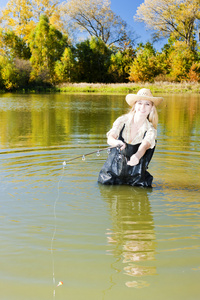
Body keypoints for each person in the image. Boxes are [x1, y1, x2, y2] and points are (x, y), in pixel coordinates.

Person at [98, 88, 163, 187]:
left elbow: (144, 146)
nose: (143, 107)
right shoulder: (122, 120)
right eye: (140, 103)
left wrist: (137, 156)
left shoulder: (151, 130)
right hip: (111, 176)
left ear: (151, 108)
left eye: (147, 104)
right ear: (135, 105)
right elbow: (110, 137)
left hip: (136, 179)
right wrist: (116, 142)